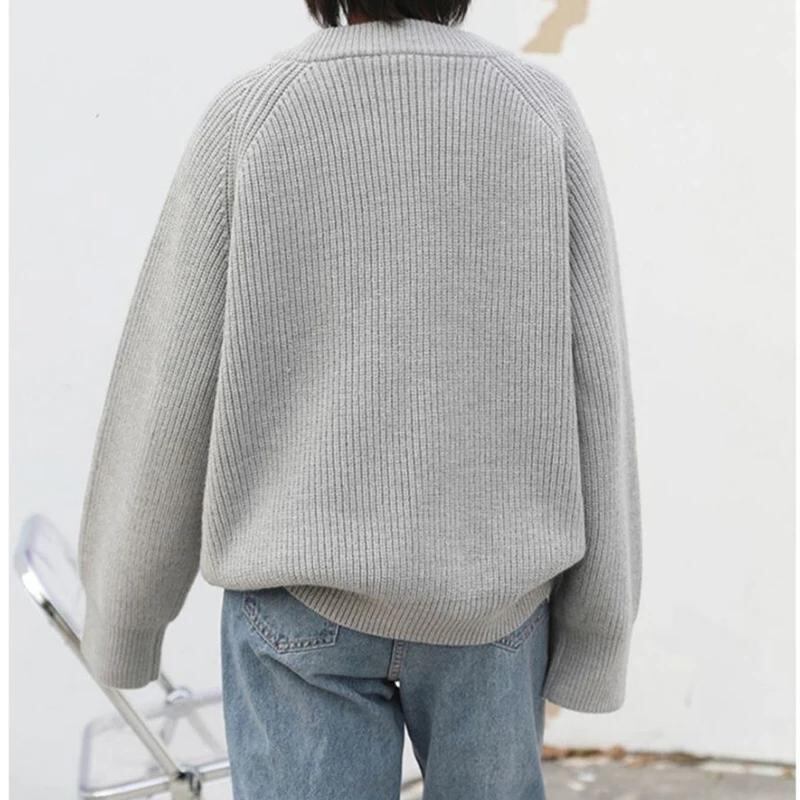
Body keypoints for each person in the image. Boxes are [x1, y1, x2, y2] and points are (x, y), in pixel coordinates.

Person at [77, 1, 643, 798]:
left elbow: (170, 378)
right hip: (490, 611)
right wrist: (598, 630)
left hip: (298, 606)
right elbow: (597, 385)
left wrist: (126, 614)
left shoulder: (254, 115)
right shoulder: (538, 113)